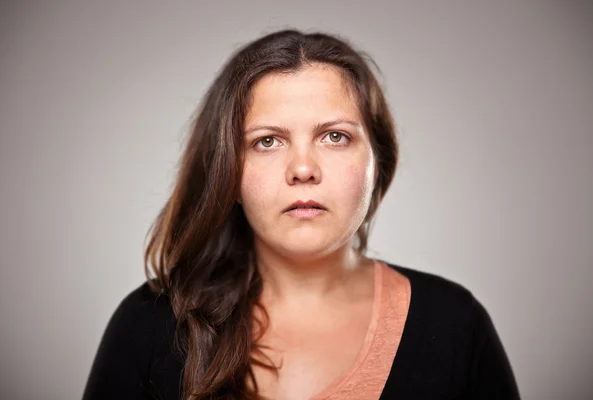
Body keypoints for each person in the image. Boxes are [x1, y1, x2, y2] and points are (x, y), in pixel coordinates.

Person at [81, 29, 520, 400]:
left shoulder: (456, 325)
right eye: (267, 141)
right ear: (227, 174)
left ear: (378, 161)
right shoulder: (149, 326)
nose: (303, 169)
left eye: (334, 136)